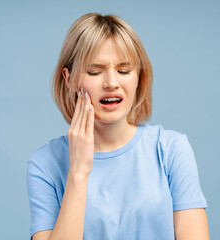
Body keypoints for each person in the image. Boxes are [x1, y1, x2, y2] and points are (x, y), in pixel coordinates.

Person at [27, 13, 209, 240]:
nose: (112, 83)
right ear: (69, 78)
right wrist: (78, 173)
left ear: (139, 77)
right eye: (95, 71)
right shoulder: (45, 164)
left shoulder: (171, 149)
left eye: (124, 71)